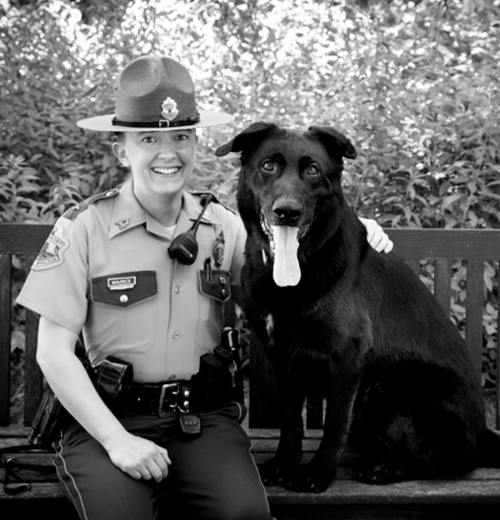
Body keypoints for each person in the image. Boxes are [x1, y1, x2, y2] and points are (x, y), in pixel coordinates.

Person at [16, 54, 393, 520]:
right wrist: (117, 441)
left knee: (245, 516)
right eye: (148, 138)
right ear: (121, 150)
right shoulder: (82, 228)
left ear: (194, 143)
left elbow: (281, 270)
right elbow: (52, 352)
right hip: (107, 419)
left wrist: (350, 229)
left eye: (180, 136)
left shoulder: (225, 227)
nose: (167, 152)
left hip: (201, 422)